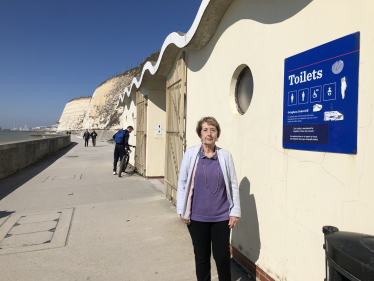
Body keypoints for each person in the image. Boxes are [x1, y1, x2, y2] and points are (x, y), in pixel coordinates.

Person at [177, 117, 240, 281]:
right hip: (197, 217)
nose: (209, 133)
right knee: (202, 257)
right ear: (200, 133)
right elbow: (183, 182)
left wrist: (235, 212)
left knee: (222, 257)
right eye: (205, 130)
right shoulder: (191, 154)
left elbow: (233, 184)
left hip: (221, 217)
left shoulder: (225, 156)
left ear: (217, 134)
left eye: (213, 130)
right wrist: (181, 210)